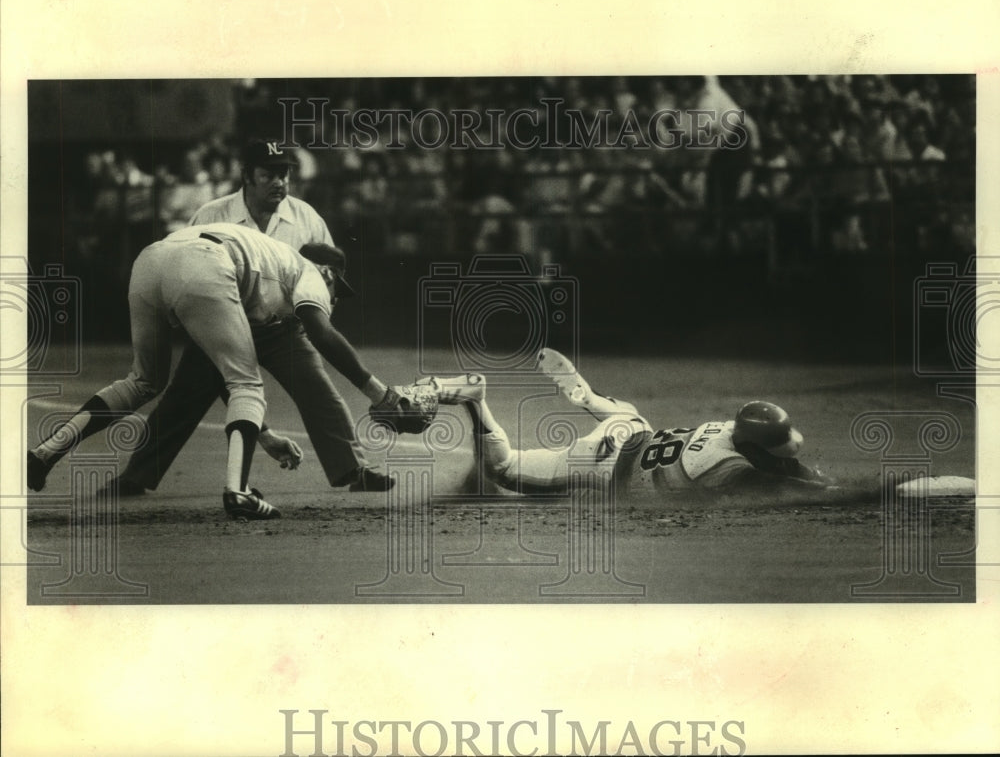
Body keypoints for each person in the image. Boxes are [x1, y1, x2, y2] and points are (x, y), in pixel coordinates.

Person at [26, 223, 406, 519]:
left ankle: (44, 454)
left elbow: (221, 368)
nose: (336, 298)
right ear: (331, 274)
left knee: (143, 381)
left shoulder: (277, 261)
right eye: (338, 290)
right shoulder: (313, 272)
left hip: (151, 261)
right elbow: (321, 333)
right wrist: (380, 394)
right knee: (246, 382)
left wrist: (266, 436)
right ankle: (237, 493)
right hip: (209, 266)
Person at [112, 138, 391, 496]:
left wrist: (311, 319)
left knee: (319, 391)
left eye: (283, 174)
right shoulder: (213, 213)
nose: (279, 182)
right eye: (268, 174)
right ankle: (135, 476)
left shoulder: (305, 217)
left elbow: (325, 283)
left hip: (282, 327)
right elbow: (183, 269)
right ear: (247, 176)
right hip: (221, 324)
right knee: (183, 399)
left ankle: (355, 470)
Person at [425, 349, 833, 498]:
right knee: (505, 469)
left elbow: (782, 463)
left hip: (632, 428)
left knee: (625, 415)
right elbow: (782, 484)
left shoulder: (728, 427)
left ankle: (589, 398)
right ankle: (475, 399)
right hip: (598, 461)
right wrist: (843, 490)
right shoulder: (725, 469)